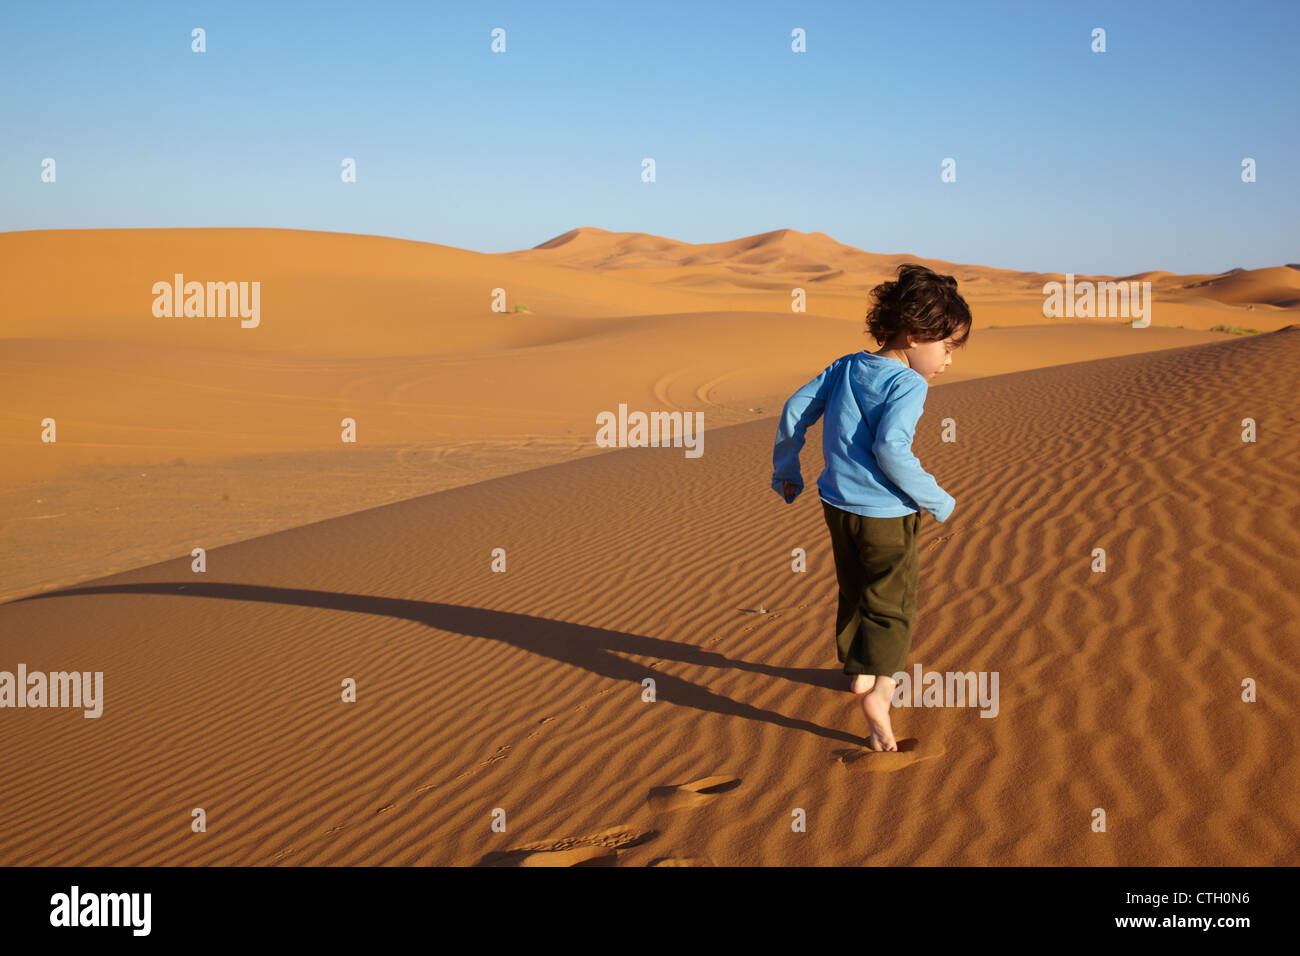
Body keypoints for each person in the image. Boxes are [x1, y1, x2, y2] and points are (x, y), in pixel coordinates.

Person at [771, 263, 972, 751]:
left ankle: (857, 672)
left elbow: (796, 408)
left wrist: (786, 467)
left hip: (836, 503)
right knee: (893, 605)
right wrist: (937, 499)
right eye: (946, 347)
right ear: (914, 333)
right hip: (886, 513)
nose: (947, 361)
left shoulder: (846, 365)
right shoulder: (908, 384)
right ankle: (881, 687)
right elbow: (891, 451)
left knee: (854, 586)